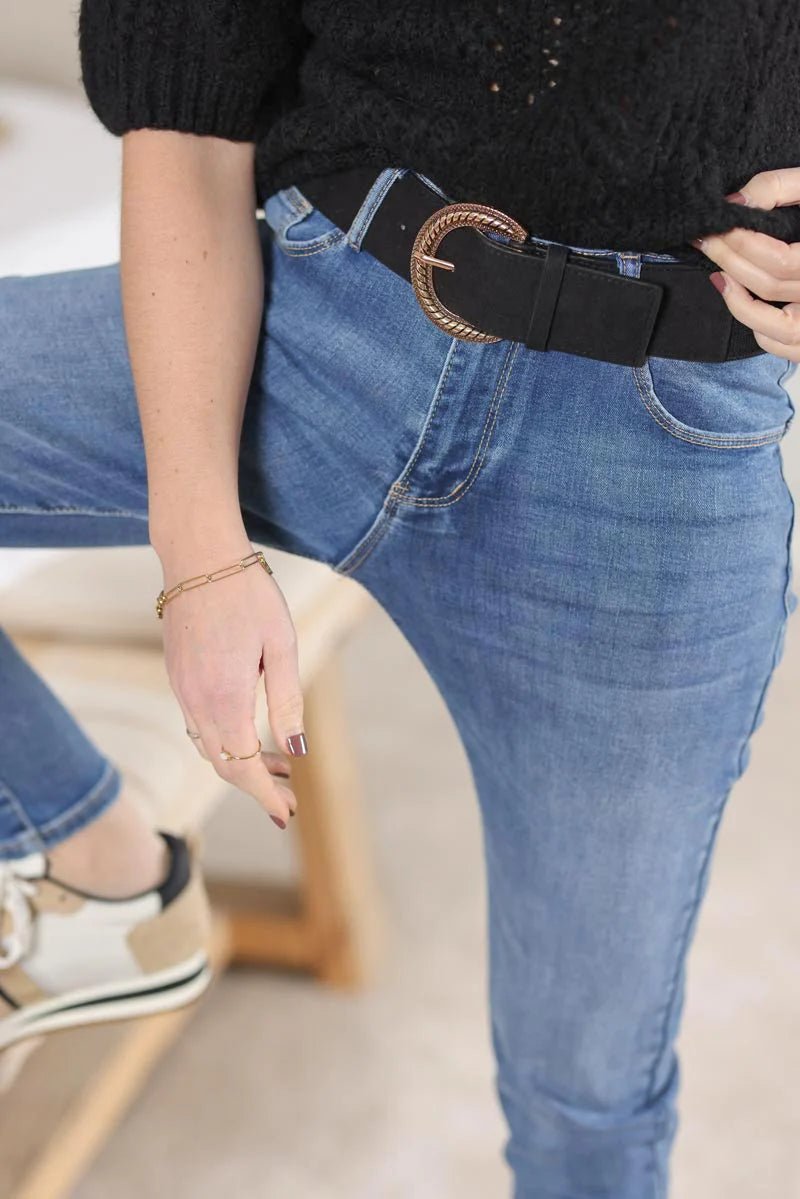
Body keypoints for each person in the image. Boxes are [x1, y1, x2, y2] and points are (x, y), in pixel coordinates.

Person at [1, 3, 799, 1196]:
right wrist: (199, 553)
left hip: (648, 447)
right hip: (309, 310)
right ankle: (94, 866)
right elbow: (188, 105)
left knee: (580, 1082)